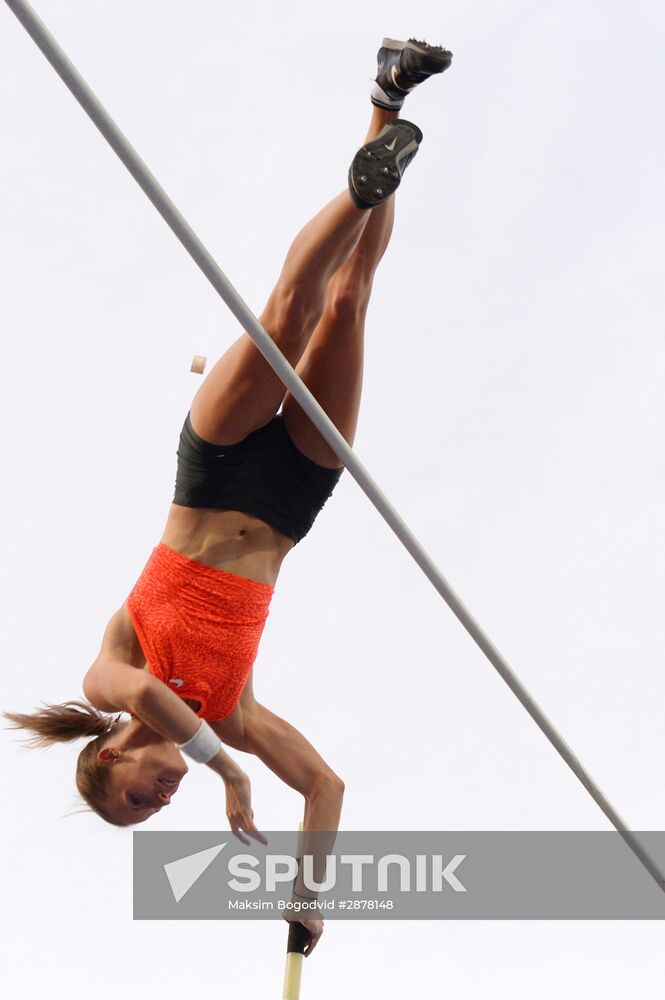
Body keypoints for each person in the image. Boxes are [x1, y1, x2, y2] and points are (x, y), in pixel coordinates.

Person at [3, 36, 452, 954]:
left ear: (111, 752)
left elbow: (168, 711)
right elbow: (326, 786)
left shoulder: (109, 675)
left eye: (136, 796)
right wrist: (306, 894)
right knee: (350, 302)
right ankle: (387, 98)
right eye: (155, 809)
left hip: (209, 472)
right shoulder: (236, 714)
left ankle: (361, 192)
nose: (160, 799)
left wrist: (229, 780)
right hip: (293, 500)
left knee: (286, 311)